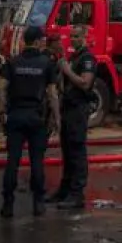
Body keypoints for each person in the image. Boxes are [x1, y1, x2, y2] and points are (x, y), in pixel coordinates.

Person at [0, 25, 58, 219]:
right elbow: (52, 94)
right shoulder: (46, 63)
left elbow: (1, 89)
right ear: (38, 41)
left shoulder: (12, 63)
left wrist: (1, 113)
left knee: (12, 161)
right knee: (37, 162)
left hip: (15, 116)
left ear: (24, 41)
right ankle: (38, 203)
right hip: (36, 117)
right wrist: (57, 118)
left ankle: (8, 203)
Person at [47, 24, 96, 210]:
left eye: (77, 36)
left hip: (78, 109)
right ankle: (65, 189)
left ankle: (77, 194)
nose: (73, 39)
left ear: (84, 36)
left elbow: (85, 83)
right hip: (67, 108)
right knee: (67, 151)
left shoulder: (87, 58)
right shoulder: (74, 57)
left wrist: (67, 70)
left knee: (77, 151)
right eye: (72, 36)